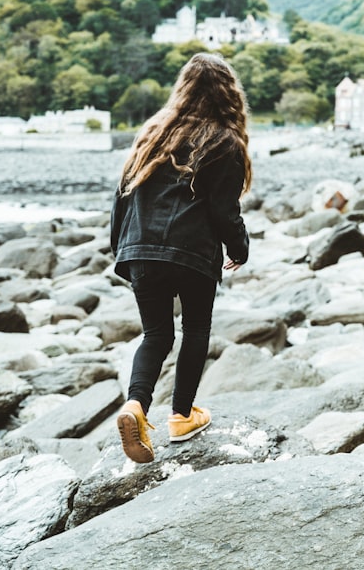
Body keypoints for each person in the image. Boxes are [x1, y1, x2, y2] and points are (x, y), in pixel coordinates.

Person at [110, 52, 252, 464]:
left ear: (183, 88)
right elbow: (224, 209)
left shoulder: (153, 131)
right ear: (228, 94)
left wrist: (122, 247)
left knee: (156, 335)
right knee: (195, 330)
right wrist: (239, 248)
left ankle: (135, 406)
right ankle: (182, 416)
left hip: (140, 247)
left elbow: (123, 193)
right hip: (191, 250)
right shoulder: (224, 140)